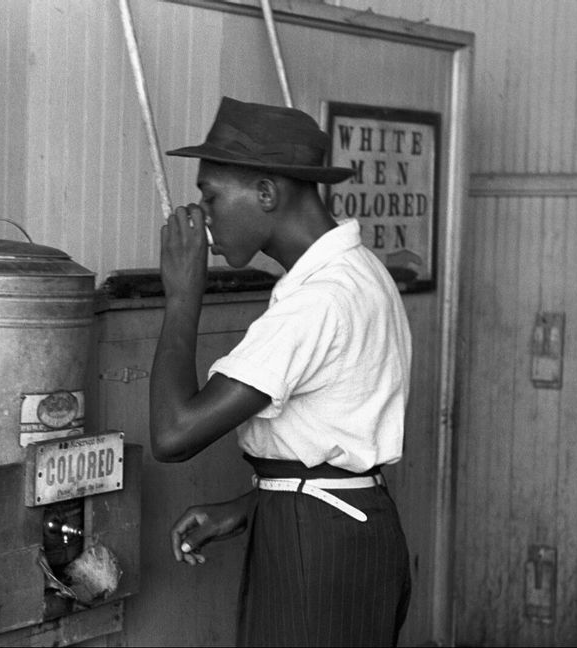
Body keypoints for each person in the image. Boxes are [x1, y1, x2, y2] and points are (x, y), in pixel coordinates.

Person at [149, 97, 412, 647]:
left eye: (211, 196)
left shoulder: (320, 300)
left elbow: (174, 434)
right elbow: (334, 439)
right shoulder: (357, 272)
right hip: (341, 524)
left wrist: (181, 298)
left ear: (267, 192)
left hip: (317, 546)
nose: (204, 216)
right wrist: (250, 507)